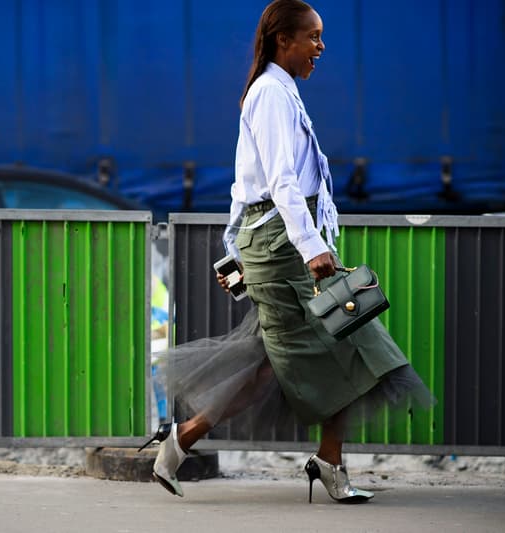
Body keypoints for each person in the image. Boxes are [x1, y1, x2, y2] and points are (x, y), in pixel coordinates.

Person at [139, 0, 434, 503]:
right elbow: (278, 183)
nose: (321, 47)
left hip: (277, 244)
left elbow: (245, 185)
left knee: (288, 358)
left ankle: (191, 442)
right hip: (282, 249)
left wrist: (236, 248)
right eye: (314, 36)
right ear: (284, 40)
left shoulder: (279, 91)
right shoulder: (271, 94)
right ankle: (313, 460)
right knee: (344, 342)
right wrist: (310, 245)